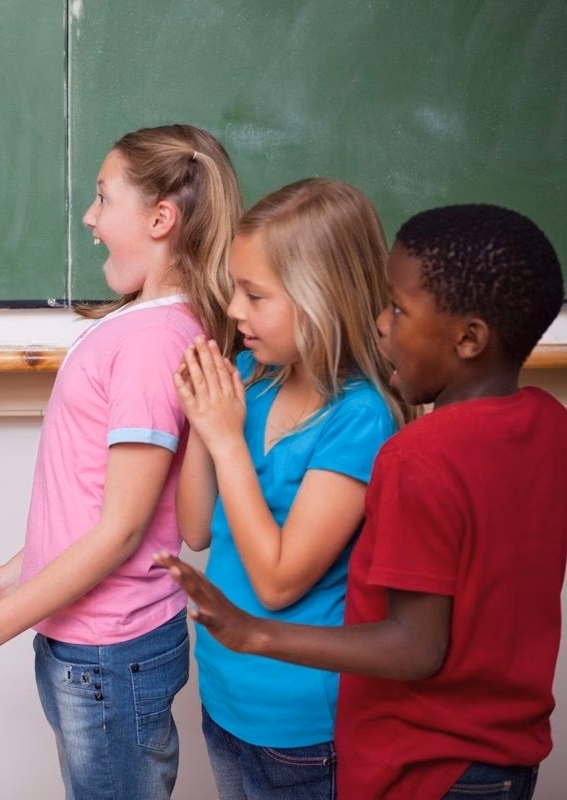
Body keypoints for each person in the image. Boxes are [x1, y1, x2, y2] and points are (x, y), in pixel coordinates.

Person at [157, 203, 566, 800]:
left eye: (397, 308)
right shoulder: (548, 423)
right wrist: (207, 417)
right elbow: (197, 528)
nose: (381, 322)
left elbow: (413, 644)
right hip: (490, 749)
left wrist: (256, 634)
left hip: (406, 755)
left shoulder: (405, 449)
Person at [0, 124, 244, 798]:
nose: (89, 217)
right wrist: (17, 572)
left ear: (160, 219)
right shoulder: (142, 326)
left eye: (104, 198)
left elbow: (122, 530)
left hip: (108, 653)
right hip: (90, 648)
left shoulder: (152, 342)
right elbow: (92, 499)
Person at [171, 178, 407, 799]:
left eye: (254, 295)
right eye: (235, 290)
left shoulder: (361, 418)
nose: (233, 311)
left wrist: (226, 440)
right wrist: (203, 422)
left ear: (320, 298)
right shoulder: (253, 377)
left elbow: (279, 583)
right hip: (225, 697)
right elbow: (194, 529)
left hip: (301, 727)